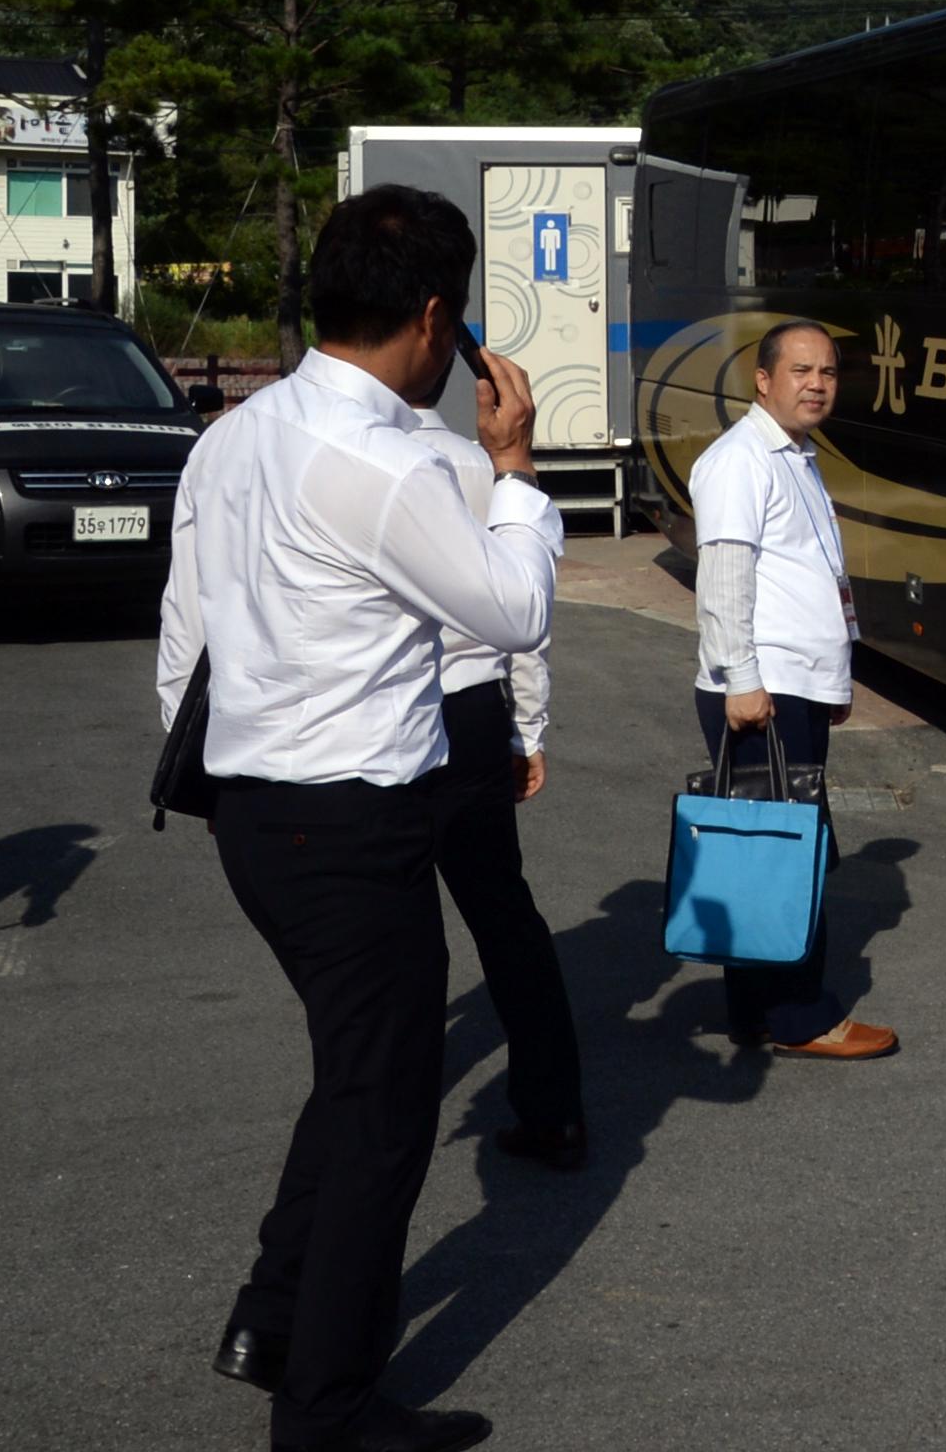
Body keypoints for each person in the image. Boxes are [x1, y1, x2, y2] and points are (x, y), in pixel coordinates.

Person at [158, 186, 561, 1452]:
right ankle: (323, 1410)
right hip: (350, 823)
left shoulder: (236, 430)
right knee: (386, 1115)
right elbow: (510, 612)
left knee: (356, 1075)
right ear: (436, 318)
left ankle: (274, 1321)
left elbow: (187, 625)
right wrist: (513, 472)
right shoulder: (390, 464)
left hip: (252, 810)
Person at [688, 320, 897, 1061]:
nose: (817, 383)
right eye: (801, 370)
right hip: (761, 691)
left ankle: (757, 1011)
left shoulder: (794, 456)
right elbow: (723, 581)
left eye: (829, 372)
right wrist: (742, 682)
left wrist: (832, 676)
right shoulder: (740, 461)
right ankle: (804, 1017)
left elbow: (812, 576)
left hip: (792, 685)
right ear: (763, 380)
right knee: (790, 856)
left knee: (764, 854)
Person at [413, 398, 585, 1171]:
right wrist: (527, 728)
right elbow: (525, 613)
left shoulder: (305, 454)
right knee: (503, 915)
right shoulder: (478, 466)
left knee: (396, 926)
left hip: (363, 713)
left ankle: (388, 1110)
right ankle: (553, 1111)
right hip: (471, 706)